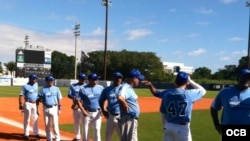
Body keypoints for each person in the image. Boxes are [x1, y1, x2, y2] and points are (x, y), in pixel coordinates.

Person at [158, 71, 206, 141]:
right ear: (187, 82)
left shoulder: (167, 94)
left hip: (168, 126)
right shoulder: (189, 94)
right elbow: (203, 90)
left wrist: (164, 126)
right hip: (182, 128)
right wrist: (191, 81)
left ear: (175, 81)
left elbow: (163, 113)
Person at [210, 68, 250, 135]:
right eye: (244, 77)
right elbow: (214, 108)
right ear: (237, 78)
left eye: (249, 77)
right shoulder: (225, 92)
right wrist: (216, 124)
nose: (247, 79)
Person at [117, 69, 145, 141]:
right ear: (134, 78)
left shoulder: (130, 88)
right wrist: (125, 106)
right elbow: (120, 97)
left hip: (131, 119)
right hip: (128, 118)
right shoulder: (125, 87)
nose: (139, 80)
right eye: (138, 79)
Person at [77, 73, 104, 141]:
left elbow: (104, 99)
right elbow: (78, 101)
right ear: (90, 80)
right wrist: (83, 111)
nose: (96, 80)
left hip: (97, 112)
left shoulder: (101, 88)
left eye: (96, 79)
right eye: (94, 79)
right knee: (85, 131)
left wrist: (103, 109)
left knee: (97, 130)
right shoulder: (83, 88)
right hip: (86, 112)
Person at [99, 72, 124, 141]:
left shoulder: (124, 89)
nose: (119, 79)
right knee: (108, 135)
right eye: (117, 77)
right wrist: (104, 111)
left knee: (123, 136)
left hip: (121, 116)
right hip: (110, 115)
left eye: (120, 78)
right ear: (113, 79)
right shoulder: (107, 89)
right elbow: (101, 100)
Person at [37, 75, 62, 141]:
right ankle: (49, 138)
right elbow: (38, 99)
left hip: (54, 108)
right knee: (47, 124)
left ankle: (57, 139)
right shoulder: (42, 89)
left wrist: (59, 108)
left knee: (55, 124)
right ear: (46, 81)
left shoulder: (56, 89)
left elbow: (59, 99)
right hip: (46, 108)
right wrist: (38, 107)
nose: (51, 82)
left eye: (52, 80)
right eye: (49, 80)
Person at [18, 73, 40, 140]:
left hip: (34, 104)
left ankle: (36, 133)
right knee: (27, 119)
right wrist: (20, 104)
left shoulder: (36, 84)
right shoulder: (25, 86)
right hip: (27, 103)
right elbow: (21, 95)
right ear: (30, 79)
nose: (35, 80)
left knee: (35, 118)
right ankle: (26, 134)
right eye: (34, 79)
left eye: (36, 79)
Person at [68, 73, 87, 141]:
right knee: (76, 123)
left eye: (84, 79)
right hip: (76, 107)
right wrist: (73, 97)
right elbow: (69, 95)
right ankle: (78, 137)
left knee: (85, 123)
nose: (83, 80)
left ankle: (85, 138)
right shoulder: (73, 86)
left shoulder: (87, 86)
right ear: (79, 79)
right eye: (82, 79)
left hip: (84, 108)